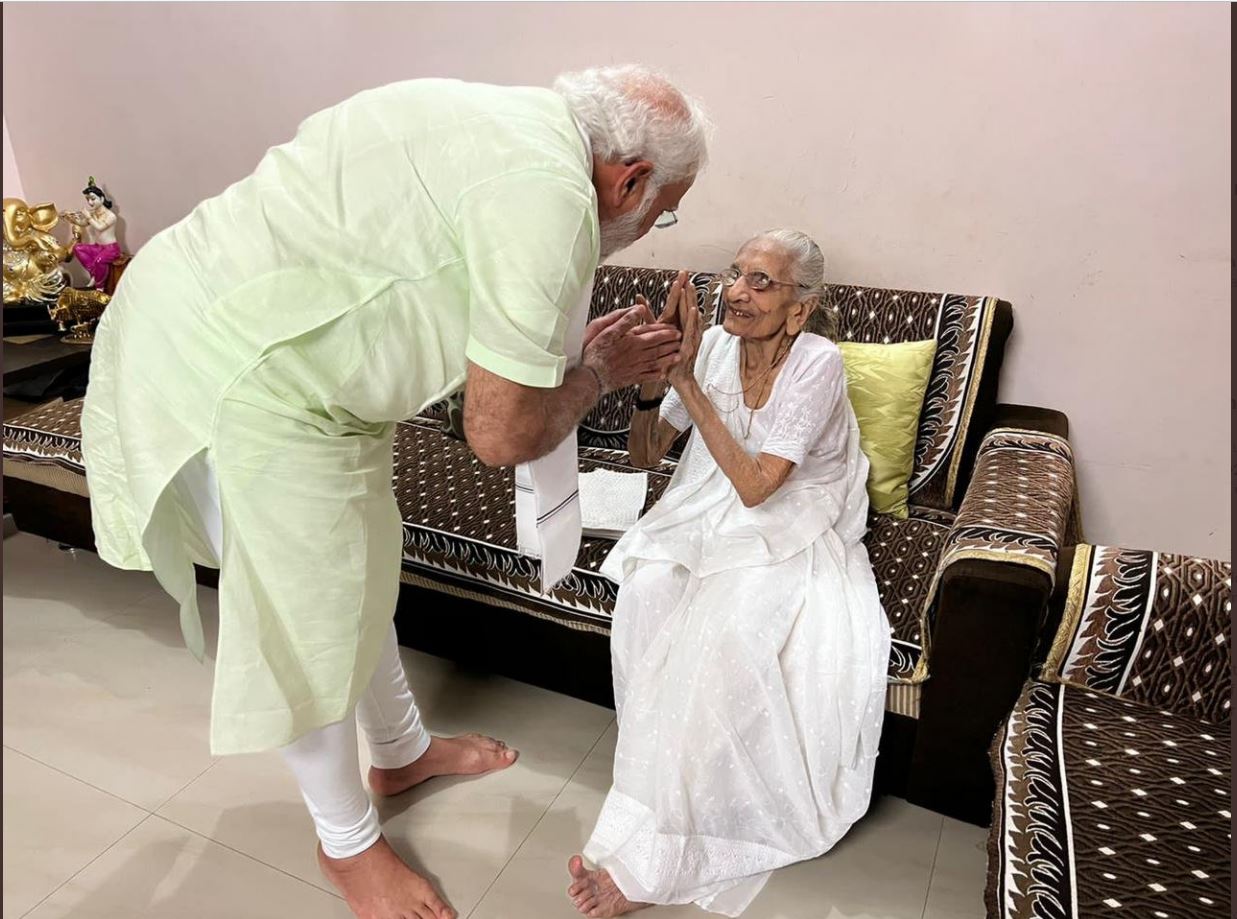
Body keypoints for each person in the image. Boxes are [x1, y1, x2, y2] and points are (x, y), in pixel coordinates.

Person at [79, 66, 710, 919]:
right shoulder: (550, 199)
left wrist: (574, 365)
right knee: (306, 616)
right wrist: (596, 373)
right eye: (662, 208)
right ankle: (346, 844)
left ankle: (401, 750)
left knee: (359, 569)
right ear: (628, 180)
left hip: (297, 366)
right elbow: (501, 433)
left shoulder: (505, 115)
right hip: (240, 370)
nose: (650, 226)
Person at [567, 230, 891, 917]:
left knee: (725, 635)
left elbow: (757, 488)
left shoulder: (817, 363)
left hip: (794, 518)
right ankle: (651, 795)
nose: (737, 292)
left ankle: (659, 861)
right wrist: (658, 384)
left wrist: (687, 380)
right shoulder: (712, 347)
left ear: (799, 308)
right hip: (711, 506)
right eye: (734, 275)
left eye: (761, 282)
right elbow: (646, 456)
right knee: (648, 592)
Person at [64, 177, 121, 289]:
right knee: (78, 248)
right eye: (88, 200)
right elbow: (83, 223)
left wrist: (89, 216)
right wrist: (70, 218)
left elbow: (99, 227)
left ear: (102, 198)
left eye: (93, 199)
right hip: (98, 247)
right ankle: (95, 273)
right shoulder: (94, 213)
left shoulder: (110, 216)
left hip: (111, 249)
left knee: (99, 261)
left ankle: (100, 287)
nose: (90, 203)